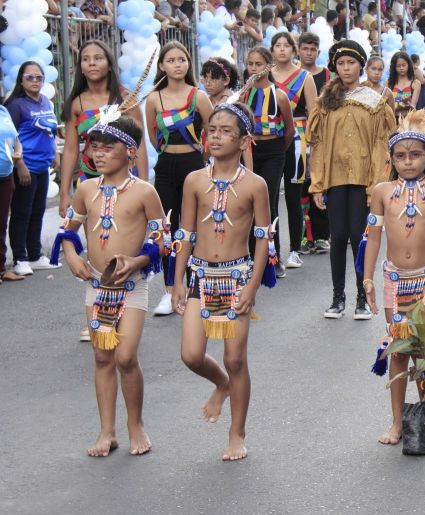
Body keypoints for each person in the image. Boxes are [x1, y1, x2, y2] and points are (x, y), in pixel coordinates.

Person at [52, 114, 167, 457]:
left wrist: (138, 261)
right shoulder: (86, 189)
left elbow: (164, 240)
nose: (98, 155)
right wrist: (71, 255)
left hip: (131, 287)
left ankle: (136, 425)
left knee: (126, 356)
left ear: (130, 152)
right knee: (103, 356)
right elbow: (68, 230)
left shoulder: (145, 192)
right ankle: (107, 432)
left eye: (108, 148)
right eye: (94, 148)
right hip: (97, 288)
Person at [171, 102, 270, 461]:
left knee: (235, 358)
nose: (216, 136)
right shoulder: (194, 180)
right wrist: (177, 278)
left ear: (244, 141)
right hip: (199, 275)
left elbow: (263, 238)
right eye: (212, 129)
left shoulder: (255, 185)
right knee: (191, 354)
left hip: (237, 277)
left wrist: (252, 285)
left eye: (226, 131)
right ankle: (221, 385)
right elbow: (184, 231)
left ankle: (236, 433)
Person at [360, 110, 425, 445]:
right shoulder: (381, 192)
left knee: (421, 347)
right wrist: (367, 278)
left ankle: (422, 409)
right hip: (394, 279)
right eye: (401, 156)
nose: (408, 162)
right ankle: (397, 421)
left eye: (415, 155)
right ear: (391, 159)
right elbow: (372, 237)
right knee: (398, 348)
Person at [306, 40, 396, 319]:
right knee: (338, 236)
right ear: (335, 66)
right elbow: (318, 144)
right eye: (341, 63)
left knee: (359, 237)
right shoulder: (325, 101)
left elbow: (382, 143)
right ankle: (337, 297)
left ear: (361, 66)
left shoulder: (374, 101)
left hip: (363, 178)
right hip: (334, 177)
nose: (346, 68)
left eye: (351, 63)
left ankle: (361, 297)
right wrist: (317, 183)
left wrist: (376, 184)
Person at [145, 41, 213, 316]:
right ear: (162, 65)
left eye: (181, 59)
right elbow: (153, 137)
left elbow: (213, 131)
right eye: (171, 60)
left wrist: (204, 160)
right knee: (168, 229)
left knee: (195, 227)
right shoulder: (154, 99)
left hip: (194, 165)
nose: (177, 64)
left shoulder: (199, 97)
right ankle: (171, 289)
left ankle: (198, 286)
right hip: (166, 167)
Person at [60, 40, 149, 220]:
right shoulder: (76, 103)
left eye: (98, 58)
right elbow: (70, 150)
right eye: (85, 59)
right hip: (89, 178)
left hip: (124, 178)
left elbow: (139, 145)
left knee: (122, 235)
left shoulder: (126, 99)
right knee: (93, 235)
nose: (91, 62)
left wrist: (145, 186)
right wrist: (64, 194)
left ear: (109, 65)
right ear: (81, 68)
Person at [240, 46, 295, 277]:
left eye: (258, 64)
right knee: (249, 203)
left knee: (269, 202)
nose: (254, 69)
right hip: (250, 150)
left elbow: (289, 130)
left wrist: (277, 151)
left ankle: (273, 257)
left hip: (273, 151)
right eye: (250, 64)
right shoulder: (244, 94)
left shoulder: (279, 94)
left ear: (268, 66)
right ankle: (253, 256)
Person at [5, 61, 60, 277]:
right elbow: (9, 138)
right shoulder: (16, 105)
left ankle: (35, 254)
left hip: (43, 166)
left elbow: (51, 131)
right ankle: (20, 257)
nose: (35, 81)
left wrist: (55, 154)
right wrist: (20, 165)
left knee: (37, 211)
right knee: (22, 213)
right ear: (21, 80)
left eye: (39, 77)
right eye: (30, 77)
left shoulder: (45, 101)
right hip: (24, 168)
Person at [271, 32, 318, 271]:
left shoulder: (304, 77)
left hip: (299, 137)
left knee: (293, 195)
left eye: (286, 46)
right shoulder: (265, 75)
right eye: (277, 45)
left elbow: (314, 112)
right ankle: (273, 251)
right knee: (269, 198)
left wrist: (314, 145)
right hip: (270, 138)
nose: (281, 50)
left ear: (293, 49)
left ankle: (294, 250)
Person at [297, 32, 331, 255]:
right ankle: (302, 236)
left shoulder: (327, 75)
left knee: (319, 182)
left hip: (321, 134)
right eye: (305, 48)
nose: (309, 53)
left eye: (313, 49)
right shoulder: (292, 75)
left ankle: (320, 235)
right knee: (299, 186)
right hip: (297, 136)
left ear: (318, 51)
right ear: (298, 50)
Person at [0, 103, 24, 284]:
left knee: (1, 224)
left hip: (5, 175)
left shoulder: (3, 110)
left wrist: (18, 153)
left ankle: (1, 269)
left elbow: (16, 138)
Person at [388, 51, 421, 119]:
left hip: (408, 121)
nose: (401, 68)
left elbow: (413, 106)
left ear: (408, 65)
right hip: (392, 121)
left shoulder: (415, 83)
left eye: (404, 65)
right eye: (398, 66)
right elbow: (386, 107)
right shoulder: (388, 83)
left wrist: (397, 105)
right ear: (394, 67)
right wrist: (402, 104)